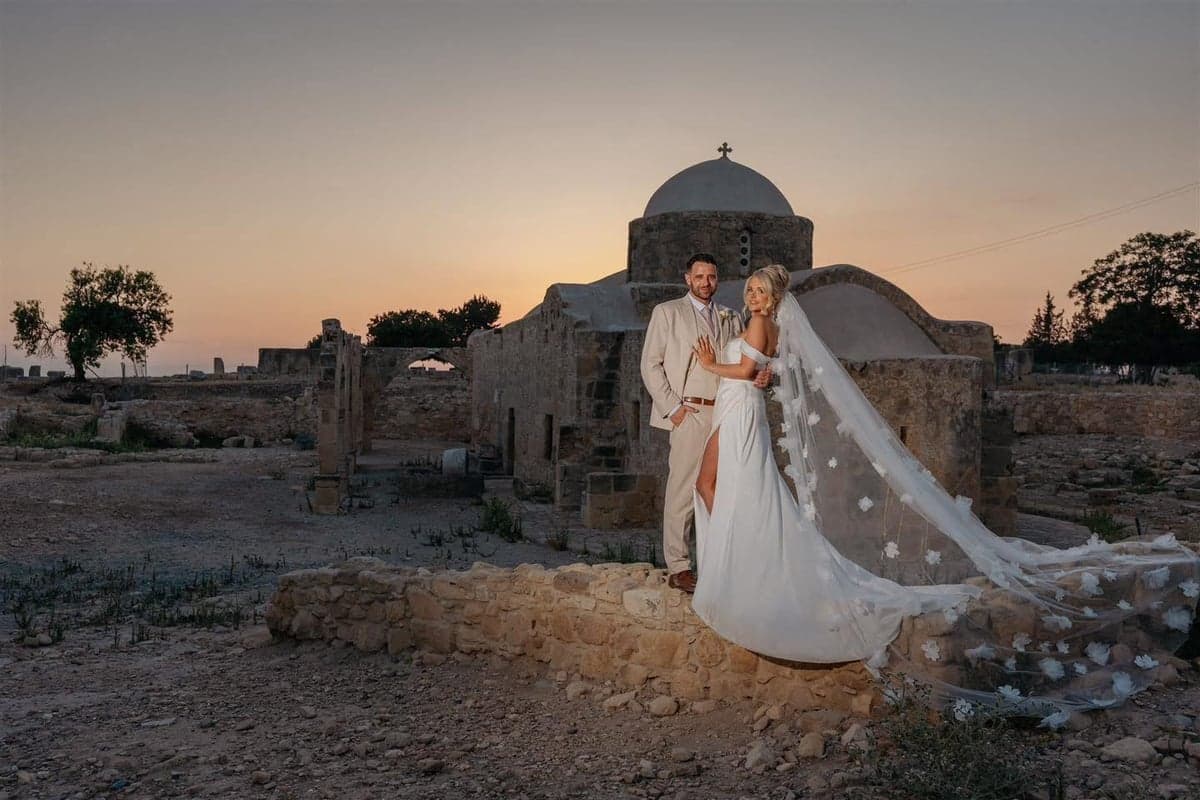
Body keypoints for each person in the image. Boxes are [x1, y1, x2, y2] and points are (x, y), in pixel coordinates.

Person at [687, 264, 1199, 720]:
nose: (752, 296)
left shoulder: (761, 323)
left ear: (773, 298)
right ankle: (725, 566)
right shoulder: (761, 324)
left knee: (739, 490)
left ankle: (737, 570)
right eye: (749, 290)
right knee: (713, 486)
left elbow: (750, 368)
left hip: (738, 411)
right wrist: (756, 373)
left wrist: (717, 368)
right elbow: (767, 369)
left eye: (759, 291)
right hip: (733, 410)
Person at [639, 254, 768, 594]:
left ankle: (717, 561)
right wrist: (673, 409)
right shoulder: (667, 313)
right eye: (699, 276)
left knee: (721, 487)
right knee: (683, 488)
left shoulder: (729, 316)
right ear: (687, 279)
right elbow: (650, 365)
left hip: (726, 412)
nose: (706, 282)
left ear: (717, 279)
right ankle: (679, 566)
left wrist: (761, 374)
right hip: (691, 413)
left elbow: (744, 360)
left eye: (711, 276)